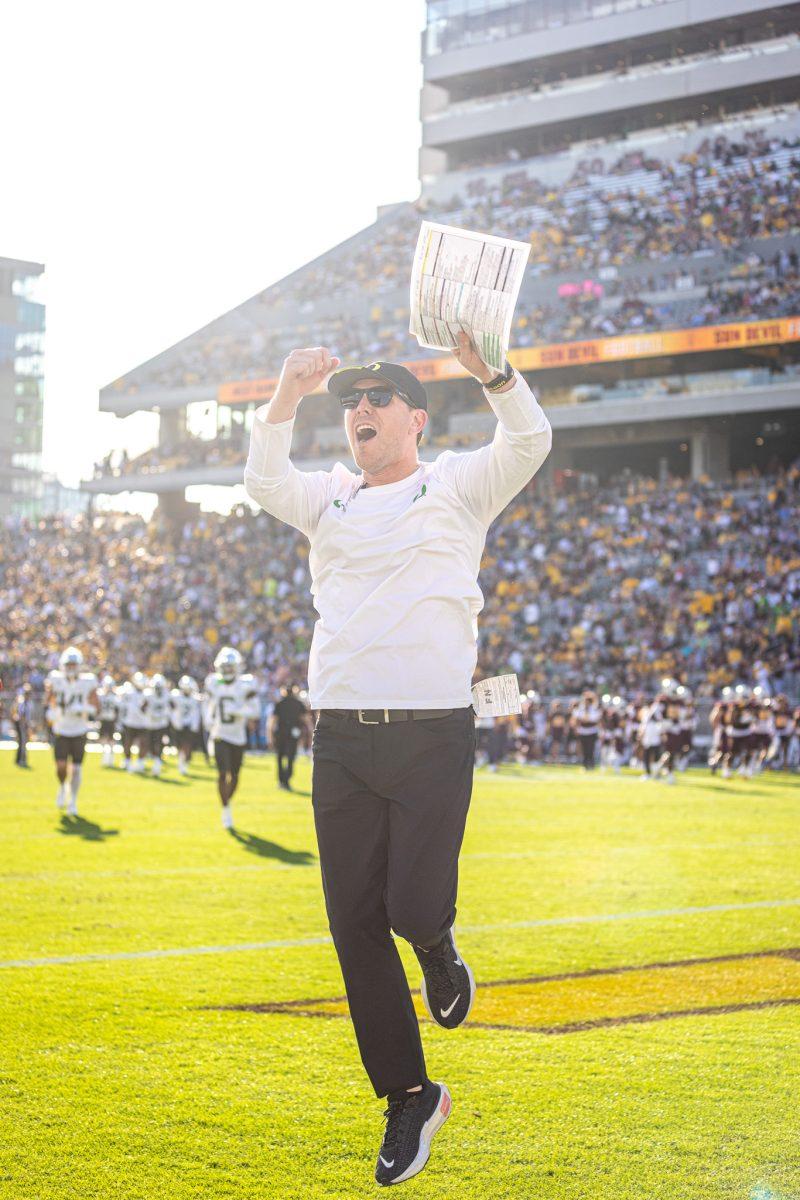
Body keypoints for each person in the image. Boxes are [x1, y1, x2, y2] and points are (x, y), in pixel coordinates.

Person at [244, 337, 551, 1186]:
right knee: (353, 926)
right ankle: (410, 1094)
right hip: (339, 736)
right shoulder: (330, 495)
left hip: (430, 733)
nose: (362, 410)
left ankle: (440, 949)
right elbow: (263, 481)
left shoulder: (455, 484)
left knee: (413, 908)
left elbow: (528, 443)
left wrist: (493, 373)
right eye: (351, 401)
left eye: (380, 399)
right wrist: (284, 393)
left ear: (417, 418)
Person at [203, 647, 260, 829]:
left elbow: (255, 711)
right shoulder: (213, 682)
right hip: (220, 734)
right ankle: (226, 808)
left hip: (238, 736)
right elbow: (208, 705)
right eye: (225, 667)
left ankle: (227, 802)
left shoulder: (245, 684)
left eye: (230, 667)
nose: (227, 670)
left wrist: (238, 711)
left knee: (235, 775)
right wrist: (208, 720)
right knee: (222, 773)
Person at [44, 647, 98, 816]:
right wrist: (51, 712)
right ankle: (61, 787)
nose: (71, 668)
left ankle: (73, 800)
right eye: (69, 664)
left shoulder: (88, 681)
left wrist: (83, 708)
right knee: (61, 767)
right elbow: (49, 701)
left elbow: (96, 708)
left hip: (79, 730)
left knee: (76, 769)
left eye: (74, 664)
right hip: (61, 728)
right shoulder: (55, 679)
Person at [269, 683, 311, 790]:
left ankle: (281, 781)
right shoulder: (298, 704)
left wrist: (269, 736)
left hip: (280, 734)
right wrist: (310, 734)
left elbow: (272, 722)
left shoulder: (279, 703)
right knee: (291, 758)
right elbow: (307, 721)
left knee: (279, 758)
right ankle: (286, 780)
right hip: (293, 734)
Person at [118, 672, 149, 773]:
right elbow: (123, 707)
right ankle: (127, 761)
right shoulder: (128, 692)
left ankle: (140, 762)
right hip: (130, 722)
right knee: (127, 743)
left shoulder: (147, 694)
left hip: (142, 723)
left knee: (143, 744)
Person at [170, 676, 201, 776]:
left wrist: (195, 726)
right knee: (180, 746)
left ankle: (184, 763)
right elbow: (172, 708)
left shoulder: (194, 698)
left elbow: (196, 713)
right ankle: (182, 761)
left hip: (189, 725)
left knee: (187, 745)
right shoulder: (176, 696)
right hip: (179, 724)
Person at [144, 673, 170, 777]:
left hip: (161, 723)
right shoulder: (148, 695)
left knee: (159, 744)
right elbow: (142, 707)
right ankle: (156, 761)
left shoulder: (167, 695)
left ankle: (157, 763)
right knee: (150, 745)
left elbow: (173, 707)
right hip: (150, 723)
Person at [96, 674, 119, 767]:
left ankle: (108, 758)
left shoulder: (106, 696)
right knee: (105, 740)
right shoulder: (112, 697)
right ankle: (107, 757)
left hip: (109, 720)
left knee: (109, 740)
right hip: (106, 719)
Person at [12, 683, 32, 768]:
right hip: (22, 725)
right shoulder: (23, 702)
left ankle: (19, 759)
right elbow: (22, 715)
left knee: (22, 742)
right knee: (23, 742)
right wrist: (25, 726)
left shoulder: (26, 702)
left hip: (23, 724)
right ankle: (22, 760)